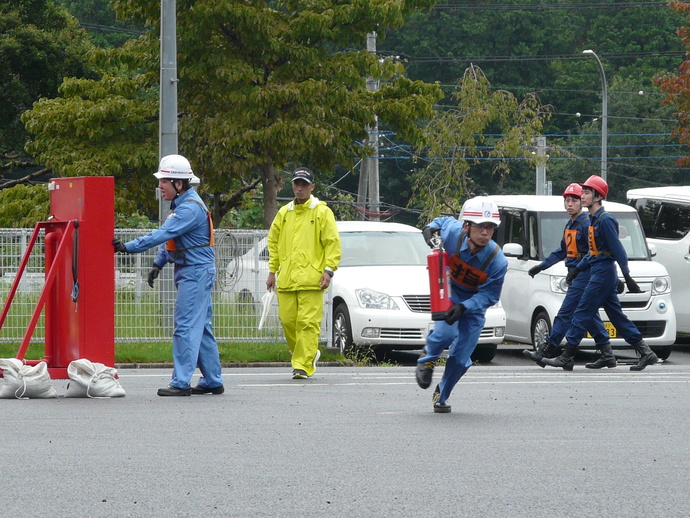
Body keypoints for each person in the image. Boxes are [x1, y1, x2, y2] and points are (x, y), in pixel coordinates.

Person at [112, 154, 224, 396]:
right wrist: (158, 264)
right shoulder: (184, 205)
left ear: (179, 184)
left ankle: (181, 383)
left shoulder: (189, 209)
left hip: (194, 273)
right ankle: (213, 380)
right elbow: (173, 239)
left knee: (185, 326)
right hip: (194, 270)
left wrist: (127, 247)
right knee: (201, 327)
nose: (160, 186)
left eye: (164, 181)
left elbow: (162, 235)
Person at [542, 175, 659, 372]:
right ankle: (645, 352)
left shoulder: (605, 220)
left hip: (602, 274)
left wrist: (627, 276)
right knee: (616, 316)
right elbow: (594, 252)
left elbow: (618, 250)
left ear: (597, 197)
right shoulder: (594, 220)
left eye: (587, 193)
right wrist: (577, 270)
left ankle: (567, 356)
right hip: (598, 271)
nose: (583, 195)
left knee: (581, 312)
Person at [415, 197, 508, 413]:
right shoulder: (453, 233)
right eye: (480, 226)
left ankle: (442, 395)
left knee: (461, 357)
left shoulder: (497, 261)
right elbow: (442, 221)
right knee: (445, 333)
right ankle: (427, 359)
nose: (485, 232)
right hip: (450, 293)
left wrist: (464, 307)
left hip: (473, 306)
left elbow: (490, 296)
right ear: (466, 226)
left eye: (490, 227)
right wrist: (429, 228)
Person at [523, 183, 615, 369]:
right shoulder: (570, 223)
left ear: (581, 202)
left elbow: (595, 252)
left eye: (574, 200)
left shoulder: (586, 223)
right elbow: (562, 251)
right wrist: (541, 266)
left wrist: (582, 271)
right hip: (576, 275)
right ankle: (607, 353)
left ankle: (549, 349)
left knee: (566, 313)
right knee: (588, 316)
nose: (570, 204)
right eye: (567, 200)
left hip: (585, 275)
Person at [266, 167, 341, 379]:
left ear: (312, 187)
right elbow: (273, 242)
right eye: (296, 184)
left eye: (304, 185)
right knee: (288, 321)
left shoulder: (322, 212)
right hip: (288, 278)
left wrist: (328, 270)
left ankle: (303, 364)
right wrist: (272, 271)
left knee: (308, 323)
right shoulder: (284, 212)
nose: (300, 188)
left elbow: (332, 242)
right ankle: (307, 353)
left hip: (312, 279)